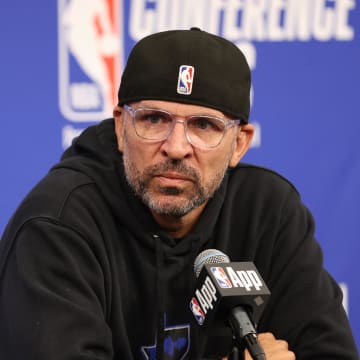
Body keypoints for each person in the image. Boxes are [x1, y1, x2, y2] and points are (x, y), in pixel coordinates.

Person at [0, 28, 358, 360]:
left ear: (239, 144)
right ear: (122, 128)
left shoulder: (268, 213)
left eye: (204, 126)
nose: (175, 147)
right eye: (154, 119)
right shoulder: (57, 225)